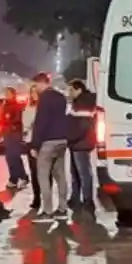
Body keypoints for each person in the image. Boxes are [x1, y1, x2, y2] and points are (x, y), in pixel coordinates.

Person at [30, 72, 69, 217]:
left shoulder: (44, 98)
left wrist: (35, 145)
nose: (35, 89)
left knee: (43, 177)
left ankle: (47, 210)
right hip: (62, 140)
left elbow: (41, 122)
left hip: (48, 142)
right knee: (60, 175)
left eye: (35, 85)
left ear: (42, 83)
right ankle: (63, 208)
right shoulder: (61, 97)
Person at [66, 79, 97, 213]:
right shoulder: (80, 102)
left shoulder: (83, 103)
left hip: (80, 143)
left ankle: (88, 201)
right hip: (77, 143)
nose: (69, 92)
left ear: (79, 90)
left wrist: (70, 138)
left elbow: (81, 126)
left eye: (71, 90)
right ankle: (75, 199)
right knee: (76, 173)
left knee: (84, 173)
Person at [0, 87, 30, 191]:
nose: (6, 95)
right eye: (5, 93)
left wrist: (8, 125)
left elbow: (16, 120)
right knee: (10, 158)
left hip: (14, 134)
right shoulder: (4, 105)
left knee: (14, 157)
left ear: (13, 94)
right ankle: (15, 178)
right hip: (7, 134)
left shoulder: (16, 106)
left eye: (8, 93)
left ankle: (21, 177)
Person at [21, 83, 42, 213]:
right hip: (30, 141)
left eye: (36, 92)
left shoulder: (44, 107)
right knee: (34, 172)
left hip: (42, 142)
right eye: (32, 92)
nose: (33, 95)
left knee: (45, 173)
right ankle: (36, 198)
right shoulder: (28, 107)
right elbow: (25, 124)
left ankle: (46, 197)